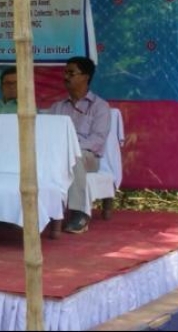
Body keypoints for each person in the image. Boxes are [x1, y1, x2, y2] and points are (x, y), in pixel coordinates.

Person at [49, 56, 111, 234]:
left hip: (87, 157)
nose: (65, 77)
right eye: (65, 73)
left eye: (71, 73)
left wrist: (71, 147)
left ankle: (79, 213)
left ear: (85, 77)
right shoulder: (57, 107)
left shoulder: (100, 107)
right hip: (58, 154)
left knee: (74, 158)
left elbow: (98, 140)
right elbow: (48, 134)